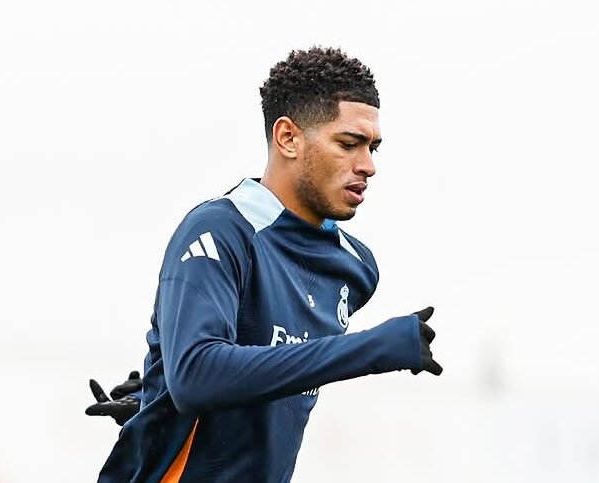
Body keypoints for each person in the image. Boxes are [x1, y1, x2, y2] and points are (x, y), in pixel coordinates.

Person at [93, 46, 442, 483]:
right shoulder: (220, 232)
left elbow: (262, 368)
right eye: (348, 144)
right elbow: (196, 376)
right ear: (288, 138)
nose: (368, 166)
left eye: (373, 147)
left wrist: (156, 397)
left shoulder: (355, 268)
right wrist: (370, 349)